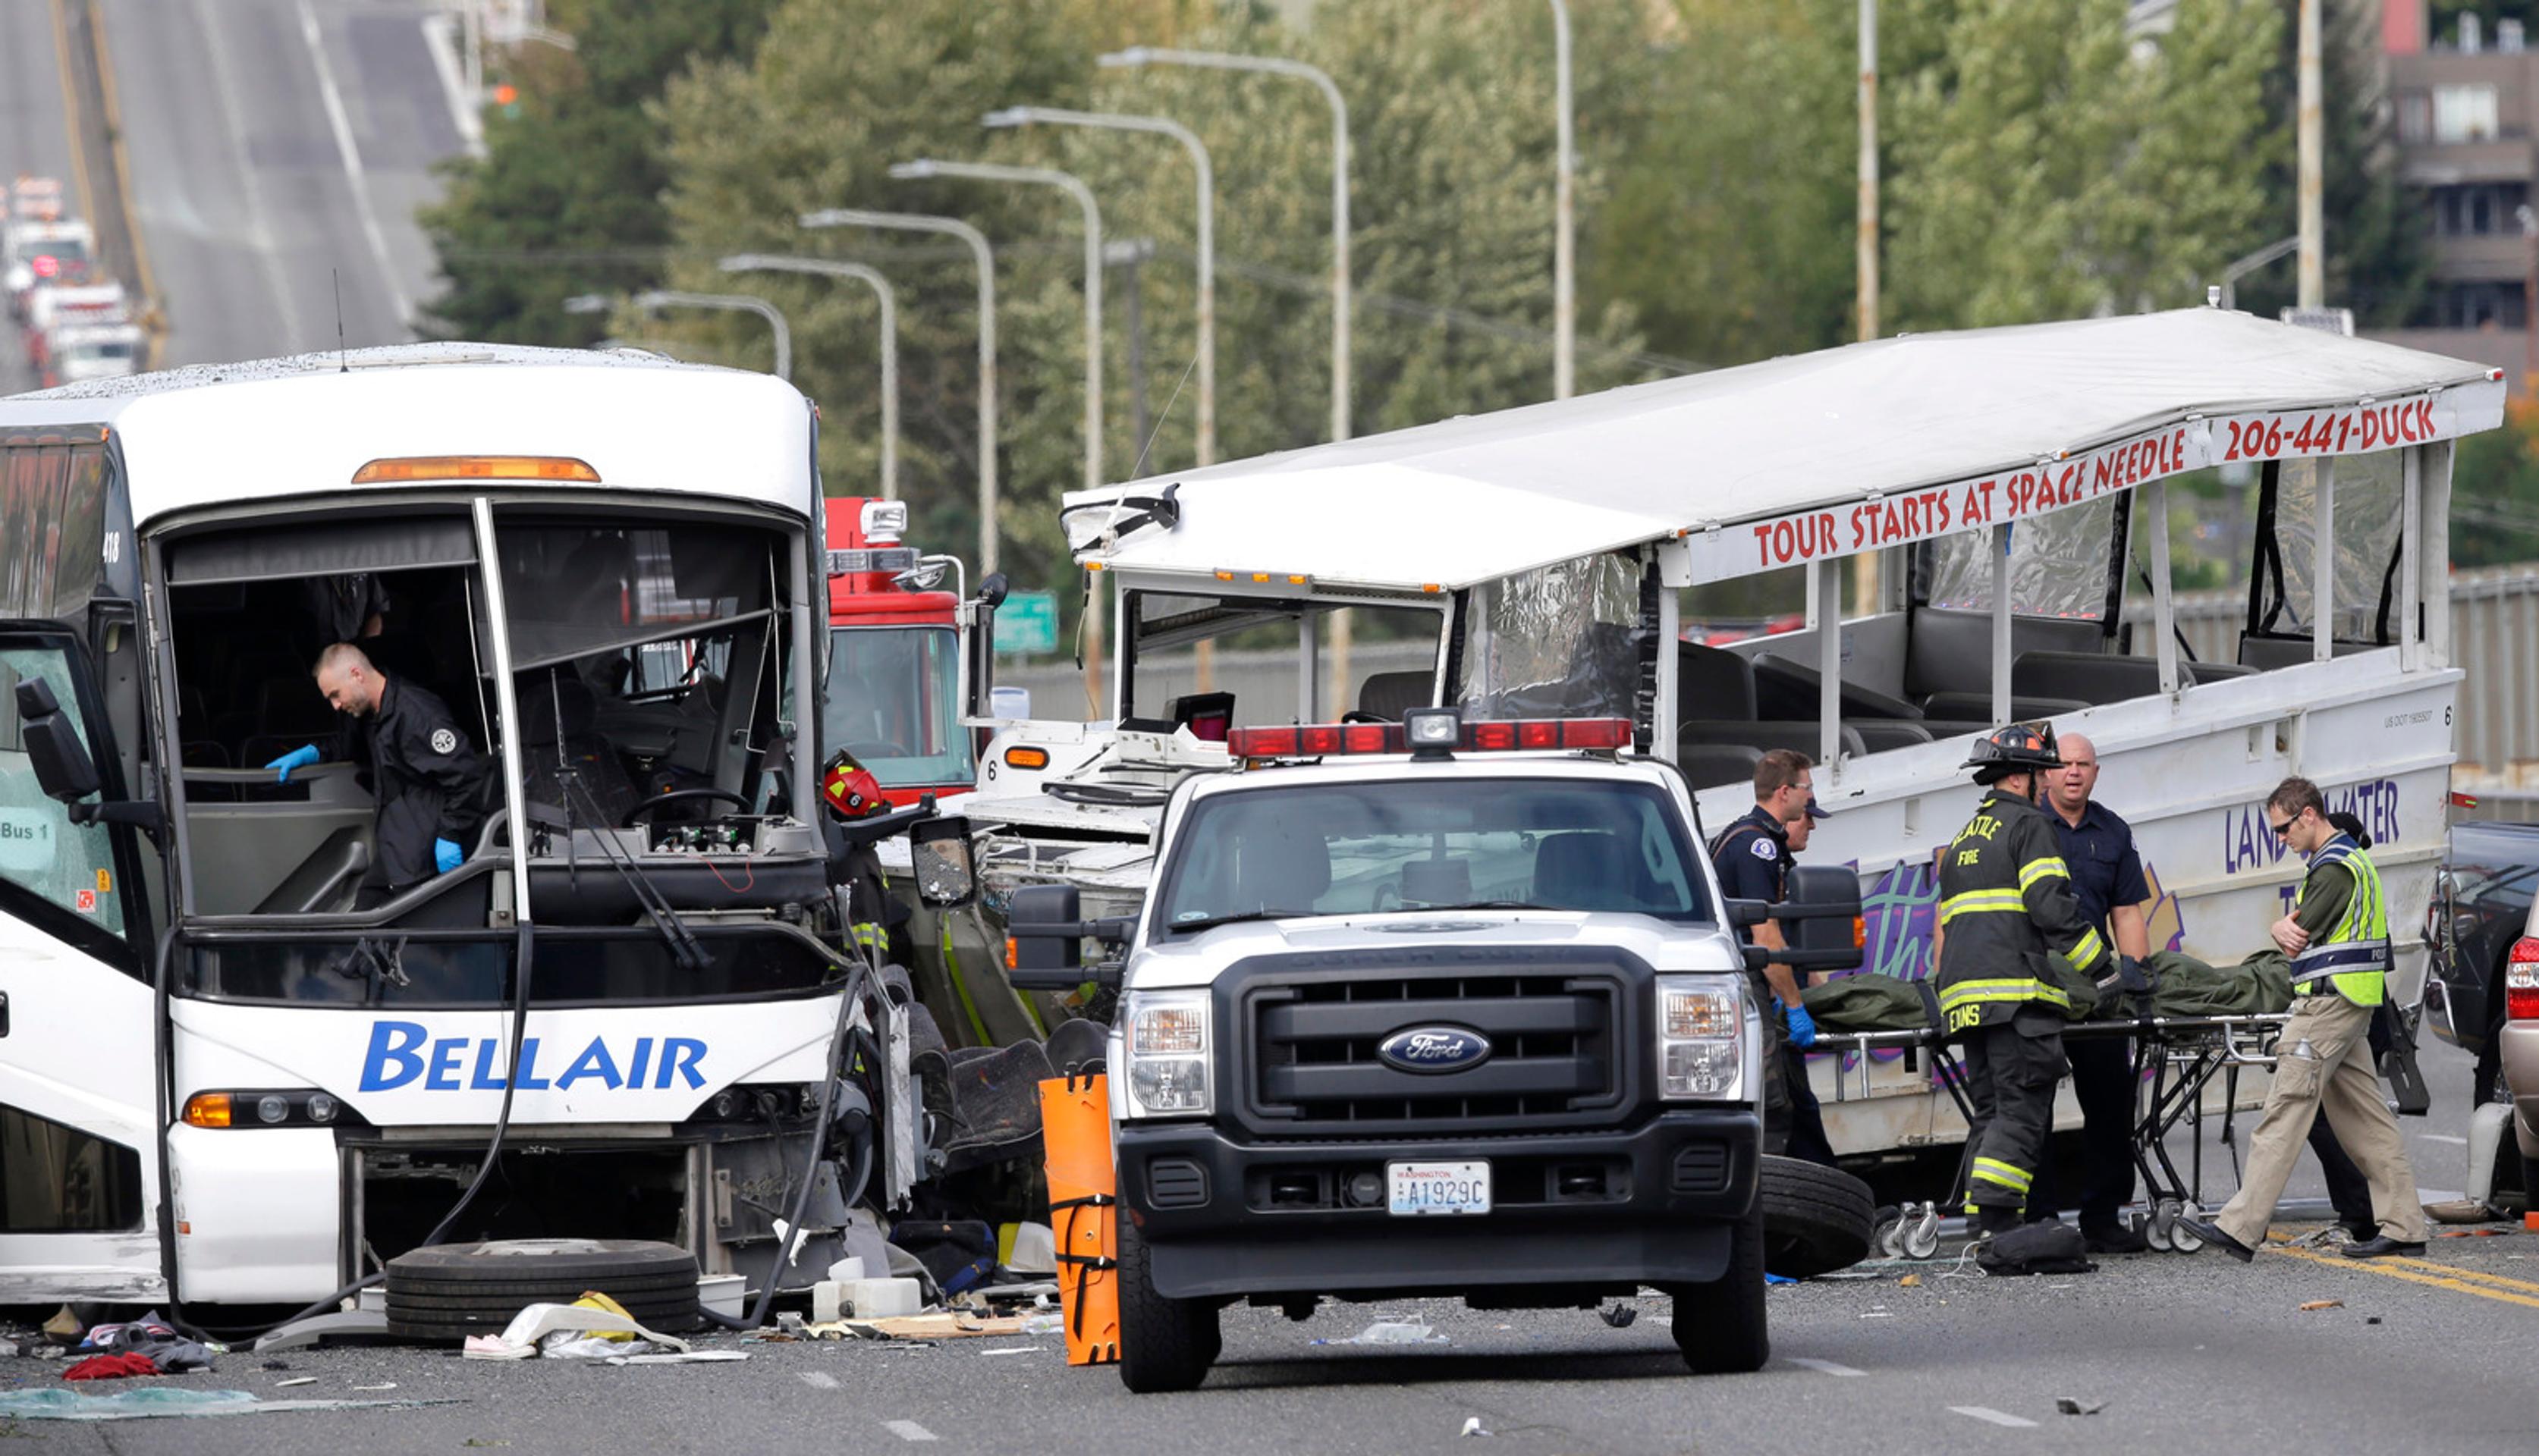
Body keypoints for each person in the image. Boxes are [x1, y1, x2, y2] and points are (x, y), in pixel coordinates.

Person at [2178, 778, 2427, 1262]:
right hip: (2351, 1003)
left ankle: (2240, 1226)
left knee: (2283, 1110)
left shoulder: (2334, 868)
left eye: (2284, 828)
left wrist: (2278, 926)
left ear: (2309, 815)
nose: (2281, 839)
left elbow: (2294, 936)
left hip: (2327, 1007)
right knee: (2366, 1121)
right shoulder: (2347, 859)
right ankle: (2404, 1225)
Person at [1937, 723, 2121, 1274]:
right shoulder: (2029, 826)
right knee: (2020, 1112)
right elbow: (2052, 909)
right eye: (2041, 772)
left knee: (1991, 1113)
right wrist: (2103, 971)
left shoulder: (1966, 837)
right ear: (2020, 775)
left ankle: (1983, 1226)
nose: (2047, 783)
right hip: (2014, 998)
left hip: (1967, 1000)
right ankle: (1997, 1229)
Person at [2035, 733, 2154, 1254]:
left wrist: (2136, 981)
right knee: (2030, 1106)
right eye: (2063, 765)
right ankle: (2036, 1220)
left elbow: (2126, 912)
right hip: (2036, 983)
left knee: (2110, 1103)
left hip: (2098, 988)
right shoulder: (2026, 827)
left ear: (2096, 772)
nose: (2073, 773)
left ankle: (2102, 1219)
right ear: (2044, 774)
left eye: (2082, 765)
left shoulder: (2112, 831)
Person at [267, 642, 494, 907]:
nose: (336, 706)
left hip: (423, 855)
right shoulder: (368, 713)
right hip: (395, 847)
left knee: (408, 939)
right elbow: (346, 745)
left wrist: (451, 835)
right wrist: (313, 753)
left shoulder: (416, 715)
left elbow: (466, 775)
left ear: (357, 674)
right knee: (363, 925)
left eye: (336, 695)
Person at [1709, 748, 1833, 1162]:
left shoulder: (1758, 840)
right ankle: (1773, 1214)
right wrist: (1796, 1006)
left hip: (1747, 986)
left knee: (1795, 1102)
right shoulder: (1756, 846)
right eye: (1807, 787)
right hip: (1744, 987)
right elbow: (1765, 936)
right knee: (1773, 1104)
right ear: (1785, 792)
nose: (1810, 796)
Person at [1776, 793, 1841, 1167]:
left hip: (1788, 1003)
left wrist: (1826, 996)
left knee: (1801, 1110)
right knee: (1797, 1112)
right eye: (1807, 818)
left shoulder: (1787, 870)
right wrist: (1792, 1005)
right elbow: (1767, 942)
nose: (1812, 825)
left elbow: (1795, 946)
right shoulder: (1764, 864)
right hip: (1779, 1013)